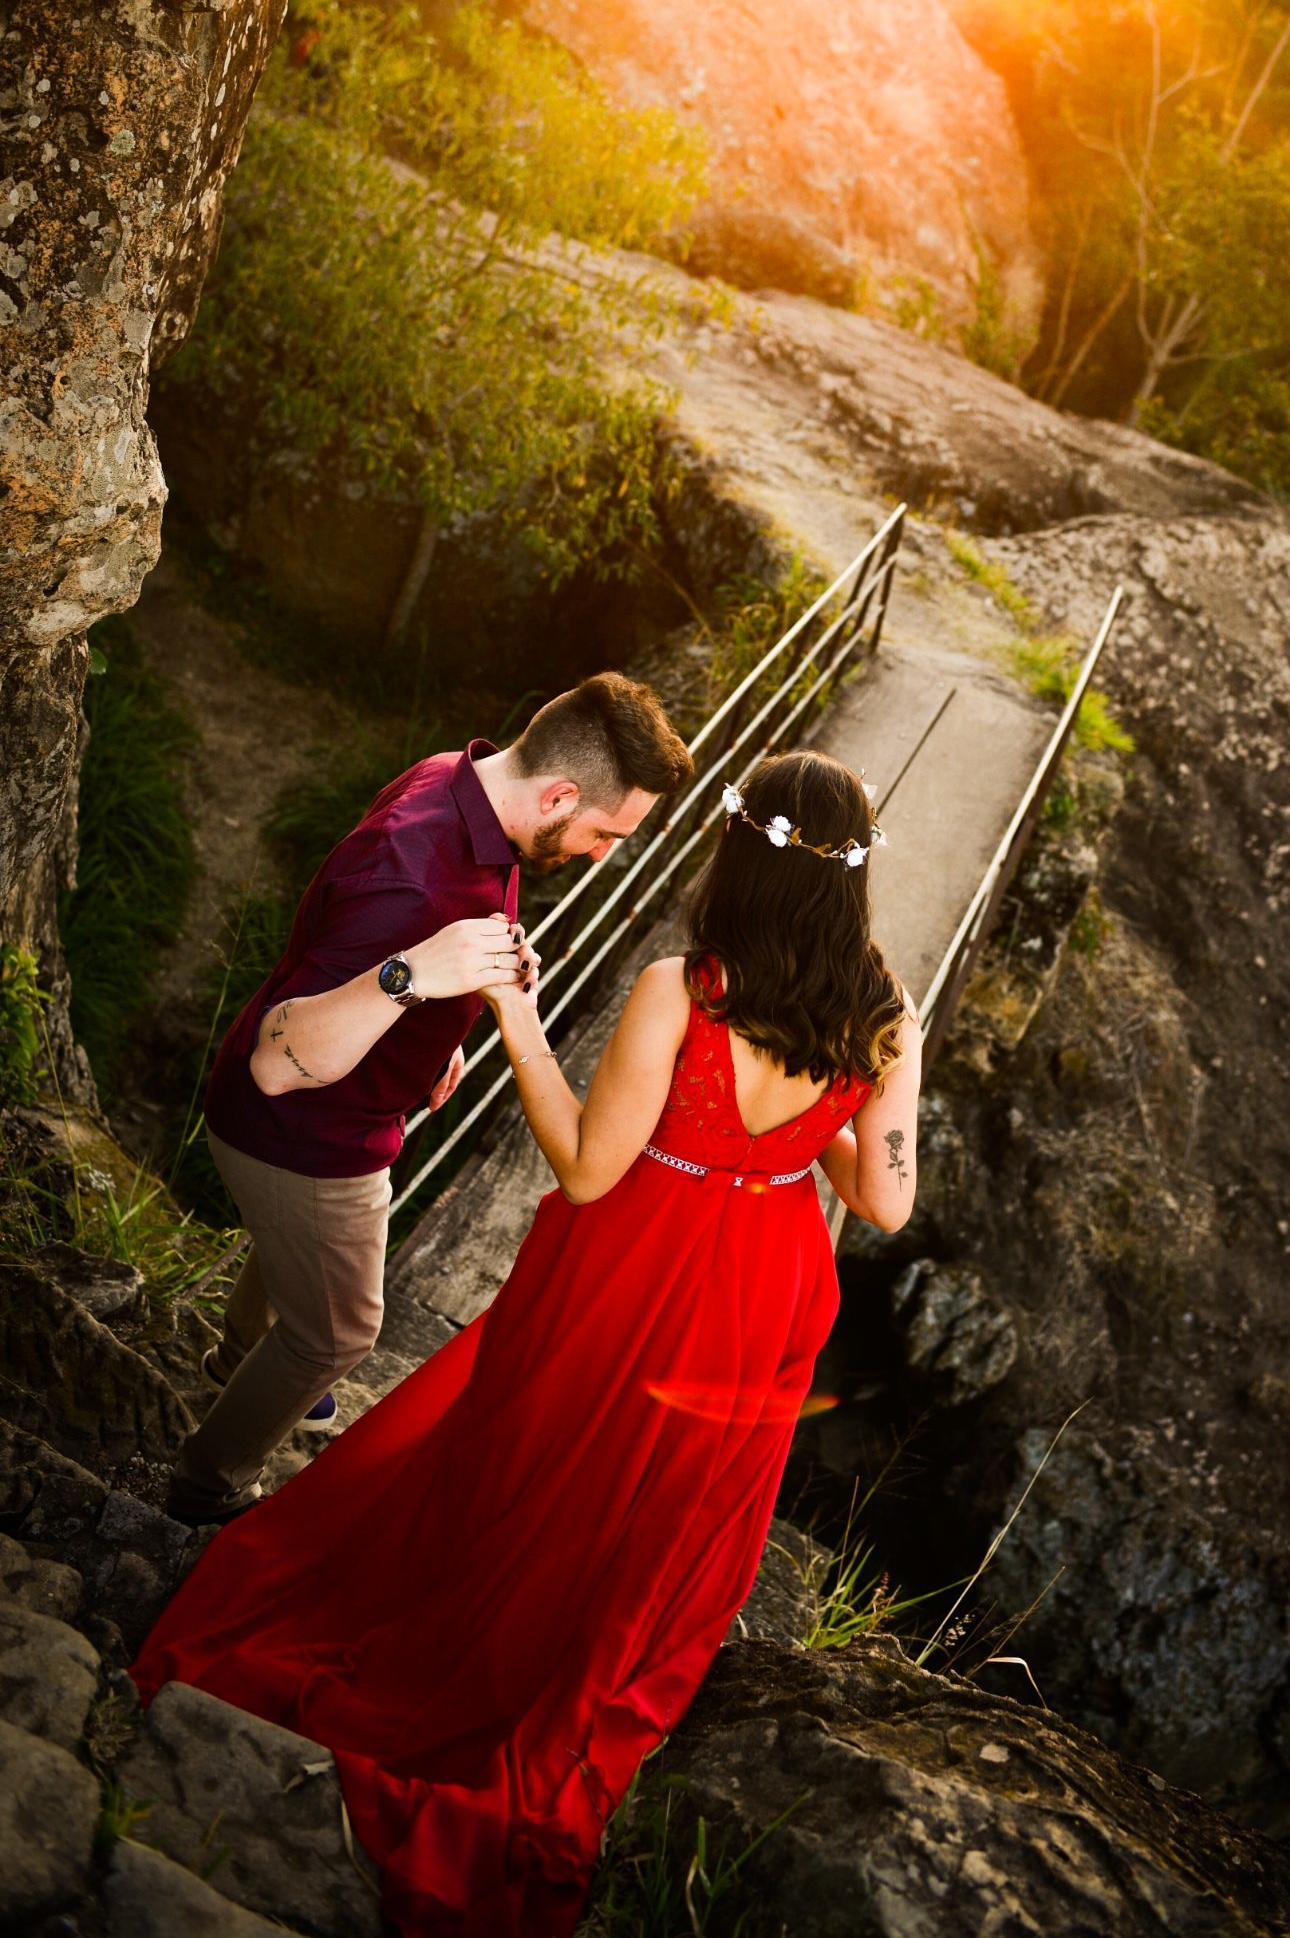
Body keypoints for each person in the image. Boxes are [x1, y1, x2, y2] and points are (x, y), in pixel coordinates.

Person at [134, 750, 922, 1937]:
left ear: (738, 852)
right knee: (654, 1501)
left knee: (536, 1452)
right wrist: (806, 1128)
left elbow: (589, 1166)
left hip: (632, 1258)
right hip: (765, 1285)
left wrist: (516, 1018)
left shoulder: (686, 987)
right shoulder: (884, 1012)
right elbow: (886, 1200)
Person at [163, 673, 694, 1531]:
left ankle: (239, 1366)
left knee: (294, 1279)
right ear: (559, 793)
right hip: (307, 1135)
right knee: (339, 1337)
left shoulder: (463, 780)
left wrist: (439, 1030)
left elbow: (386, 947)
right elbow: (279, 1063)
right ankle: (206, 1483)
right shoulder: (412, 881)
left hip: (341, 1109)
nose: (603, 854)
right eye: (605, 832)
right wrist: (415, 978)